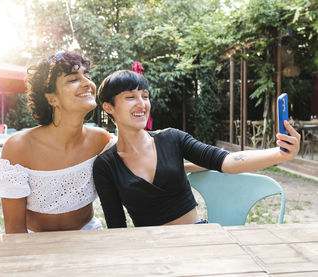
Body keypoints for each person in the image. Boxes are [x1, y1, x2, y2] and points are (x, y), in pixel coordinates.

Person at [93, 70, 301, 228]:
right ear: (109, 107)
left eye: (145, 96)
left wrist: (280, 154)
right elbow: (116, 227)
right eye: (130, 97)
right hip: (151, 252)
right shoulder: (105, 165)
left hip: (197, 237)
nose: (142, 104)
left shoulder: (172, 139)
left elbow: (227, 162)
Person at [0, 52, 115, 233]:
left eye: (87, 75)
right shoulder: (19, 148)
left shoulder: (102, 141)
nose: (88, 83)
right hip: (35, 243)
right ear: (51, 98)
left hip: (88, 236)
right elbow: (15, 230)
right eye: (73, 79)